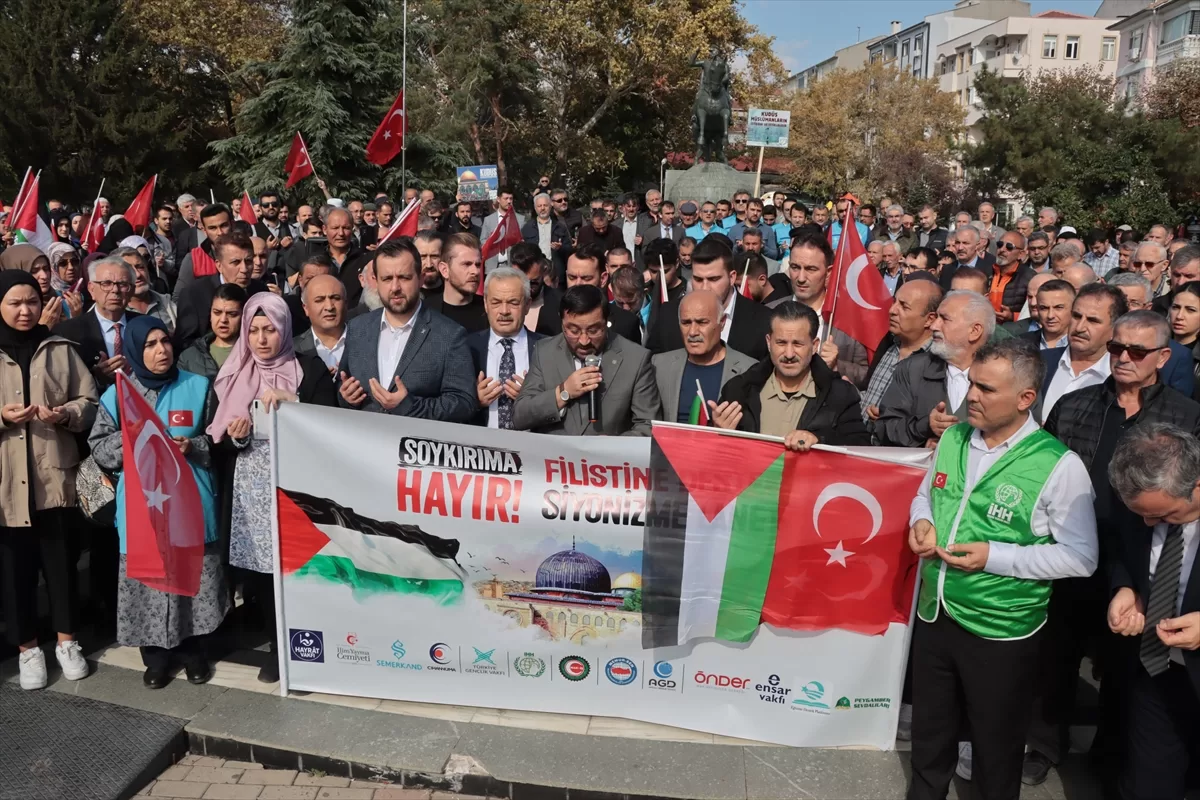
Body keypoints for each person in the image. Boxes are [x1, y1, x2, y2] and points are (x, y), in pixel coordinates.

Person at [906, 336, 1097, 800]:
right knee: (930, 736)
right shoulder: (953, 436)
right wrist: (922, 521)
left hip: (1001, 630)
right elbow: (926, 492)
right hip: (937, 612)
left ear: (1025, 398)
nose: (972, 395)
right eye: (972, 383)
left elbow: (1081, 556)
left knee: (995, 747)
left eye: (987, 390)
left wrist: (996, 556)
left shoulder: (1058, 465)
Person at [1034, 314, 1200, 786]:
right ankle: (1045, 744)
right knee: (1057, 656)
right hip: (1072, 553)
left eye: (1137, 352)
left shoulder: (1187, 416)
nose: (1123, 358)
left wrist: (1132, 579)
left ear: (1163, 358)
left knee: (1129, 670)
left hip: (1145, 562)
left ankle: (1114, 756)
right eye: (1116, 348)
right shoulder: (1074, 404)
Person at [88, 315, 225, 689]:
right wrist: (133, 440)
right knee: (148, 582)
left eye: (164, 341)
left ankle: (195, 654)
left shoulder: (198, 387)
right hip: (142, 509)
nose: (161, 350)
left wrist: (192, 446)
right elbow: (99, 447)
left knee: (192, 581)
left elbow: (218, 441)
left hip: (189, 505)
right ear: (133, 350)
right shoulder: (119, 394)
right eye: (149, 345)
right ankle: (156, 659)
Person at [208, 293, 337, 682]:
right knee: (264, 572)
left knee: (302, 565)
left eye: (270, 329)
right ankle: (277, 646)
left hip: (299, 481)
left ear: (284, 329)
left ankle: (311, 643)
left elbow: (329, 424)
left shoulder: (307, 370)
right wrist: (238, 436)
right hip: (252, 485)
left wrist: (293, 403)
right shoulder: (236, 372)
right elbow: (219, 442)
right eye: (254, 330)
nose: (262, 339)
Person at [0, 271, 97, 690]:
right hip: (6, 486)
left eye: (32, 302)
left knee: (60, 567)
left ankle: (67, 641)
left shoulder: (60, 347)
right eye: (15, 303)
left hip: (53, 478)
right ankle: (27, 649)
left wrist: (65, 415)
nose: (25, 311)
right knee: (14, 572)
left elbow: (88, 400)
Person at [1106, 424, 1200, 800]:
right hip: (1156, 671)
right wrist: (1126, 587)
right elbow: (1120, 546)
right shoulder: (1140, 503)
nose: (1148, 524)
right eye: (1141, 515)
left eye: (1162, 516)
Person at [337, 239, 477, 420]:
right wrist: (346, 397)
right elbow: (341, 389)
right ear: (376, 281)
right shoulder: (357, 328)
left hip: (414, 445)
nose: (395, 287)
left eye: (404, 277)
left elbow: (464, 404)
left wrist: (409, 406)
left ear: (421, 278)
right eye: (387, 279)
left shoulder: (450, 335)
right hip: (364, 442)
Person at [712, 301, 869, 447]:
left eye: (797, 344)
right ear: (768, 342)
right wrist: (717, 432)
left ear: (814, 346)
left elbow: (859, 447)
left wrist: (820, 440)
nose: (788, 353)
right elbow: (712, 453)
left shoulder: (841, 395)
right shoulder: (738, 390)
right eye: (781, 343)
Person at [512, 284, 661, 435]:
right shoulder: (544, 351)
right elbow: (520, 416)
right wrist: (563, 393)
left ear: (606, 322)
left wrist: (613, 447)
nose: (584, 341)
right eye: (573, 331)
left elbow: (648, 426)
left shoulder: (636, 359)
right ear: (562, 322)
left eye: (593, 330)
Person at [876, 290, 995, 448]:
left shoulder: (1006, 376)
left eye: (944, 319)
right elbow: (883, 430)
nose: (933, 325)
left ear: (974, 331)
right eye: (936, 317)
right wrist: (924, 426)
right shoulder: (912, 370)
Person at [766, 232, 869, 385]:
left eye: (811, 269)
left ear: (828, 272)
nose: (800, 278)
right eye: (795, 267)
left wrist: (837, 366)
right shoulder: (769, 311)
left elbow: (866, 375)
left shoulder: (850, 320)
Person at [647, 237, 770, 361]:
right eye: (698, 279)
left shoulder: (763, 320)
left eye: (713, 279)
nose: (705, 288)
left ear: (732, 277)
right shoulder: (669, 314)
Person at [651, 290, 755, 423]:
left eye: (702, 323)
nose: (693, 332)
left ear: (722, 322)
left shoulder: (748, 370)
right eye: (686, 323)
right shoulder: (659, 365)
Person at [467, 267, 543, 428]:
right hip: (480, 447)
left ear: (527, 305)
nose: (504, 311)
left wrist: (533, 403)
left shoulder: (547, 349)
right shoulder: (466, 347)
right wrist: (473, 401)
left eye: (513, 303)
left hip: (533, 448)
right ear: (486, 304)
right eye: (496, 303)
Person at [862, 278, 943, 431]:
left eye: (904, 306)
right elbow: (868, 392)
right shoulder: (888, 343)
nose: (892, 310)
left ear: (929, 319)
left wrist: (892, 421)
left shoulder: (937, 363)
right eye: (894, 302)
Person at [54, 255, 141, 391]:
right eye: (106, 283)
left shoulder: (146, 327)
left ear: (132, 290)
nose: (115, 290)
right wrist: (96, 378)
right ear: (91, 289)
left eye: (123, 284)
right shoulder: (68, 333)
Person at [1040, 284, 1127, 420]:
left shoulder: (1121, 377)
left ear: (1115, 329)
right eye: (1076, 316)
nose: (1079, 327)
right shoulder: (1040, 361)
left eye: (1093, 320)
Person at [175, 232, 268, 347]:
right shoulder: (194, 294)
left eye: (248, 261)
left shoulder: (260, 291)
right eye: (236, 262)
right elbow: (185, 343)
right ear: (219, 266)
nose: (244, 269)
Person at [534, 245, 642, 342]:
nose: (578, 284)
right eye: (572, 277)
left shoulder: (626, 323)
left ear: (603, 278)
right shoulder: (548, 315)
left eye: (586, 278)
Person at [1112, 272, 1195, 398]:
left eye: (1134, 303)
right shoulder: (1084, 340)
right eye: (1120, 302)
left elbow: (1179, 409)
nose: (1126, 308)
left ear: (1148, 306)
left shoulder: (1177, 356)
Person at [178, 284, 246, 380]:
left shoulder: (254, 354)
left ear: (244, 316)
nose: (223, 320)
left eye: (232, 314)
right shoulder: (189, 357)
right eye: (217, 312)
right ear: (210, 314)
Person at [425, 233, 488, 333]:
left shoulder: (489, 309)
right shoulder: (425, 312)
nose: (475, 271)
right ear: (445, 270)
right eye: (466, 264)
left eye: (478, 264)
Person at [171, 203, 233, 300]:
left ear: (232, 224)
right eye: (212, 228)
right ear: (204, 230)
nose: (220, 233)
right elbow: (179, 298)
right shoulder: (193, 258)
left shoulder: (248, 253)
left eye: (224, 225)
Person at [115, 247, 177, 334]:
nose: (137, 275)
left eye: (140, 267)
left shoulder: (167, 304)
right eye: (129, 271)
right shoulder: (111, 311)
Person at [293, 274, 347, 373]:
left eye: (335, 298)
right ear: (306, 308)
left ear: (345, 303)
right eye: (319, 300)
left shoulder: (365, 341)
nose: (329, 307)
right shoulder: (293, 350)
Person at [521, 193, 571, 282]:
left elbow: (569, 249)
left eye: (545, 205)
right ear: (535, 208)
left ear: (550, 206)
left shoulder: (560, 227)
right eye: (539, 206)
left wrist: (560, 248)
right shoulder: (526, 228)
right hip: (534, 273)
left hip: (556, 273)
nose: (542, 208)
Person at [989, 232, 1036, 324]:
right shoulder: (986, 271)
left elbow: (1036, 311)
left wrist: (1012, 316)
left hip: (1014, 331)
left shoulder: (1031, 278)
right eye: (1000, 244)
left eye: (1009, 247)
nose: (1002, 249)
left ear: (1021, 254)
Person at [479, 188, 526, 272]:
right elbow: (482, 240)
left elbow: (523, 242)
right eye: (506, 198)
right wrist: (492, 242)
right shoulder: (488, 220)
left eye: (511, 198)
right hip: (492, 266)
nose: (509, 201)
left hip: (513, 266)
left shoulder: (520, 220)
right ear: (498, 199)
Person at [1024, 279, 1076, 350]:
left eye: (1058, 307)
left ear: (1073, 309)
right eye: (1044, 308)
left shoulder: (1085, 347)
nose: (1050, 316)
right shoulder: (1021, 344)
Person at [940, 225, 995, 290]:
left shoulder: (989, 270)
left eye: (965, 243)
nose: (960, 248)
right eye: (957, 243)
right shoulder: (947, 269)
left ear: (977, 245)